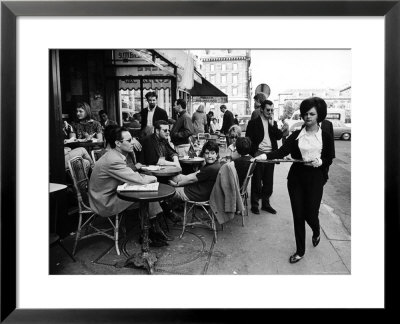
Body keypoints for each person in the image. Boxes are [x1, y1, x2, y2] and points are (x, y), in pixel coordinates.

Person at [255, 97, 335, 264]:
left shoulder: (325, 135)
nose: (308, 117)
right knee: (298, 215)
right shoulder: (298, 134)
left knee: (310, 214)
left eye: (312, 114)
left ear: (319, 115)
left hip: (315, 178)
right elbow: (282, 151)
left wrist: (321, 162)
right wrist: (263, 156)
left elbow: (329, 157)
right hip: (296, 178)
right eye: (305, 113)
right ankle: (300, 251)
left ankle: (316, 228)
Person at [88, 126, 169, 247]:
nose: (133, 142)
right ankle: (152, 229)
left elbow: (131, 175)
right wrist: (154, 178)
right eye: (129, 140)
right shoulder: (114, 160)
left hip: (109, 193)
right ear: (118, 143)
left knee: (146, 193)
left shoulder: (114, 155)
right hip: (104, 201)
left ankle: (151, 229)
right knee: (147, 192)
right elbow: (138, 180)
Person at [246, 99, 283, 215]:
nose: (270, 112)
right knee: (256, 181)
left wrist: (273, 125)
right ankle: (255, 205)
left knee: (268, 182)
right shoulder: (253, 123)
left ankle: (266, 204)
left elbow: (278, 136)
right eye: (268, 110)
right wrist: (254, 154)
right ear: (261, 109)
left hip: (270, 155)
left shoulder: (273, 123)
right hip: (259, 154)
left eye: (272, 110)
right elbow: (248, 140)